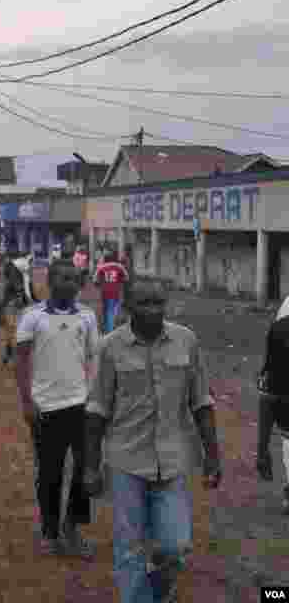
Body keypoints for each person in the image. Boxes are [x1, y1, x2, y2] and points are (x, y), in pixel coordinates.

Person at [86, 276, 222, 602]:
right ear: (129, 306)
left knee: (175, 546)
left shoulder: (186, 341)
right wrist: (90, 466)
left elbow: (201, 401)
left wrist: (213, 455)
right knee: (129, 548)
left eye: (159, 302)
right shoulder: (109, 347)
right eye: (145, 303)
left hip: (172, 461)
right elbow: (96, 410)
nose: (153, 309)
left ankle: (158, 590)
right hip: (126, 461)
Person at [16, 258, 98, 559]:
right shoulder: (32, 316)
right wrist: (27, 402)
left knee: (84, 470)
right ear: (49, 281)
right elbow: (21, 361)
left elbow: (93, 358)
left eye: (74, 278)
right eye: (62, 278)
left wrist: (94, 399)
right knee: (50, 473)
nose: (69, 283)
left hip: (81, 406)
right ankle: (50, 532)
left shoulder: (87, 317)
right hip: (45, 409)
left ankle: (73, 528)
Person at [257, 294, 289, 515]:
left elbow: (269, 395)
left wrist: (262, 451)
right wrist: (261, 451)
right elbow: (269, 395)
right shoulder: (282, 331)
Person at [96, 251, 129, 334]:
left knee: (107, 310)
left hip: (105, 292)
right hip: (116, 292)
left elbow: (95, 280)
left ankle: (108, 328)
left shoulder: (102, 267)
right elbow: (126, 278)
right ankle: (110, 329)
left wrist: (101, 283)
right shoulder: (119, 267)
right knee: (112, 310)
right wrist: (119, 281)